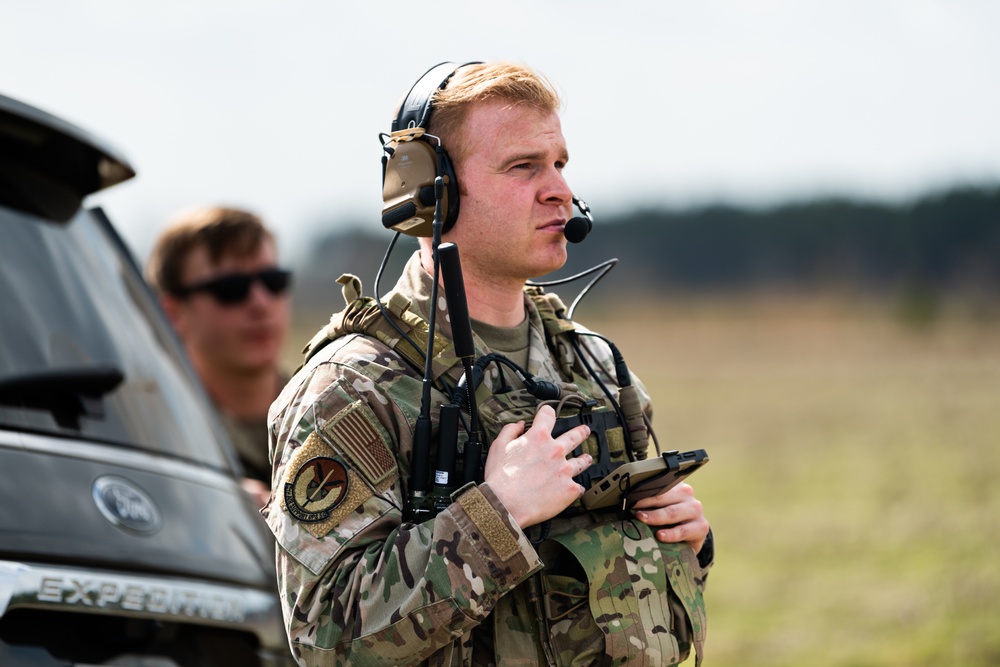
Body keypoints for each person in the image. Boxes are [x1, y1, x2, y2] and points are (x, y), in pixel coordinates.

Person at [265, 61, 712, 666]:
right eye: (523, 166)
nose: (557, 189)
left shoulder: (593, 364)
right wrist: (496, 516)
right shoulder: (352, 389)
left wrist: (685, 544)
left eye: (559, 164)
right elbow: (326, 639)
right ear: (431, 193)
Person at [147, 206, 292, 508]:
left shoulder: (333, 407)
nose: (260, 303)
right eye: (231, 289)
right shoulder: (150, 433)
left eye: (273, 281)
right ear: (174, 313)